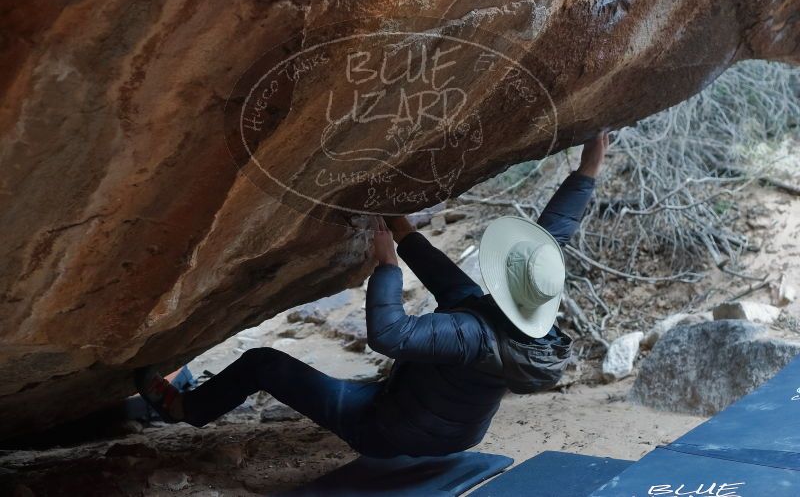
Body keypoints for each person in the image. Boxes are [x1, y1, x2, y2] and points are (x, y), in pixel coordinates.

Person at [135, 130, 610, 458]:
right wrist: (588, 169)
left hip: (387, 430)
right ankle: (401, 229)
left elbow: (388, 335)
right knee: (459, 292)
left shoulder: (471, 334)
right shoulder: (525, 327)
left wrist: (388, 267)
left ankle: (185, 408)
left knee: (263, 363)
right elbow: (553, 238)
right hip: (455, 430)